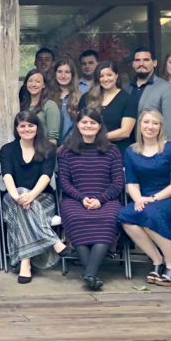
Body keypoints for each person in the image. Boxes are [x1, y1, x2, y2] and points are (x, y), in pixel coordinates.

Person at [119, 109, 171, 287]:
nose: (150, 127)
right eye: (146, 122)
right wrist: (138, 199)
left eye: (155, 123)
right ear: (140, 125)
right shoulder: (131, 151)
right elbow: (132, 183)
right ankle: (157, 260)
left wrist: (152, 199)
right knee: (124, 215)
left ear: (160, 127)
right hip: (143, 199)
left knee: (149, 214)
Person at [57, 108, 124, 291]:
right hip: (75, 199)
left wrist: (101, 200)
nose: (88, 125)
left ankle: (89, 272)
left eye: (92, 122)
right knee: (76, 217)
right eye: (84, 122)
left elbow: (118, 182)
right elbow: (64, 182)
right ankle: (91, 273)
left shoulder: (112, 150)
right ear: (77, 125)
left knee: (108, 218)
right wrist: (82, 198)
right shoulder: (67, 151)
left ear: (99, 126)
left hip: (106, 200)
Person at [0, 112, 67, 284]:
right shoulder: (7, 149)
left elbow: (46, 176)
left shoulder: (48, 149)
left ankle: (25, 263)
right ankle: (53, 240)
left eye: (31, 125)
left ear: (37, 127)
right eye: (22, 126)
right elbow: (7, 175)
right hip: (12, 198)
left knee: (24, 209)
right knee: (21, 198)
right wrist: (17, 196)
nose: (27, 129)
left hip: (42, 197)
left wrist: (30, 195)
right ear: (16, 129)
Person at [129, 47, 171, 146]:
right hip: (128, 151)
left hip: (156, 152)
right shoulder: (125, 88)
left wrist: (167, 153)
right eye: (137, 60)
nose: (141, 63)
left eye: (146, 60)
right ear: (133, 64)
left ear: (154, 63)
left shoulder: (168, 89)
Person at [78, 62, 137, 152]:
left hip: (117, 152)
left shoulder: (127, 100)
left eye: (109, 75)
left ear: (116, 75)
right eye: (101, 76)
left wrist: (95, 138)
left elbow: (125, 132)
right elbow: (78, 124)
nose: (105, 79)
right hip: (88, 152)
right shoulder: (87, 97)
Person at [19, 69, 62, 144]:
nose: (33, 84)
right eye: (30, 81)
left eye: (37, 81)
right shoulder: (22, 105)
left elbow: (53, 138)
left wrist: (48, 154)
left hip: (43, 150)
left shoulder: (50, 105)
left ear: (44, 85)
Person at [49, 58, 81, 142]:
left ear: (72, 75)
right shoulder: (47, 96)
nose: (63, 76)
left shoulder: (81, 97)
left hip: (72, 147)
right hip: (49, 146)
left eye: (67, 72)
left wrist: (65, 146)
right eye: (59, 72)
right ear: (55, 74)